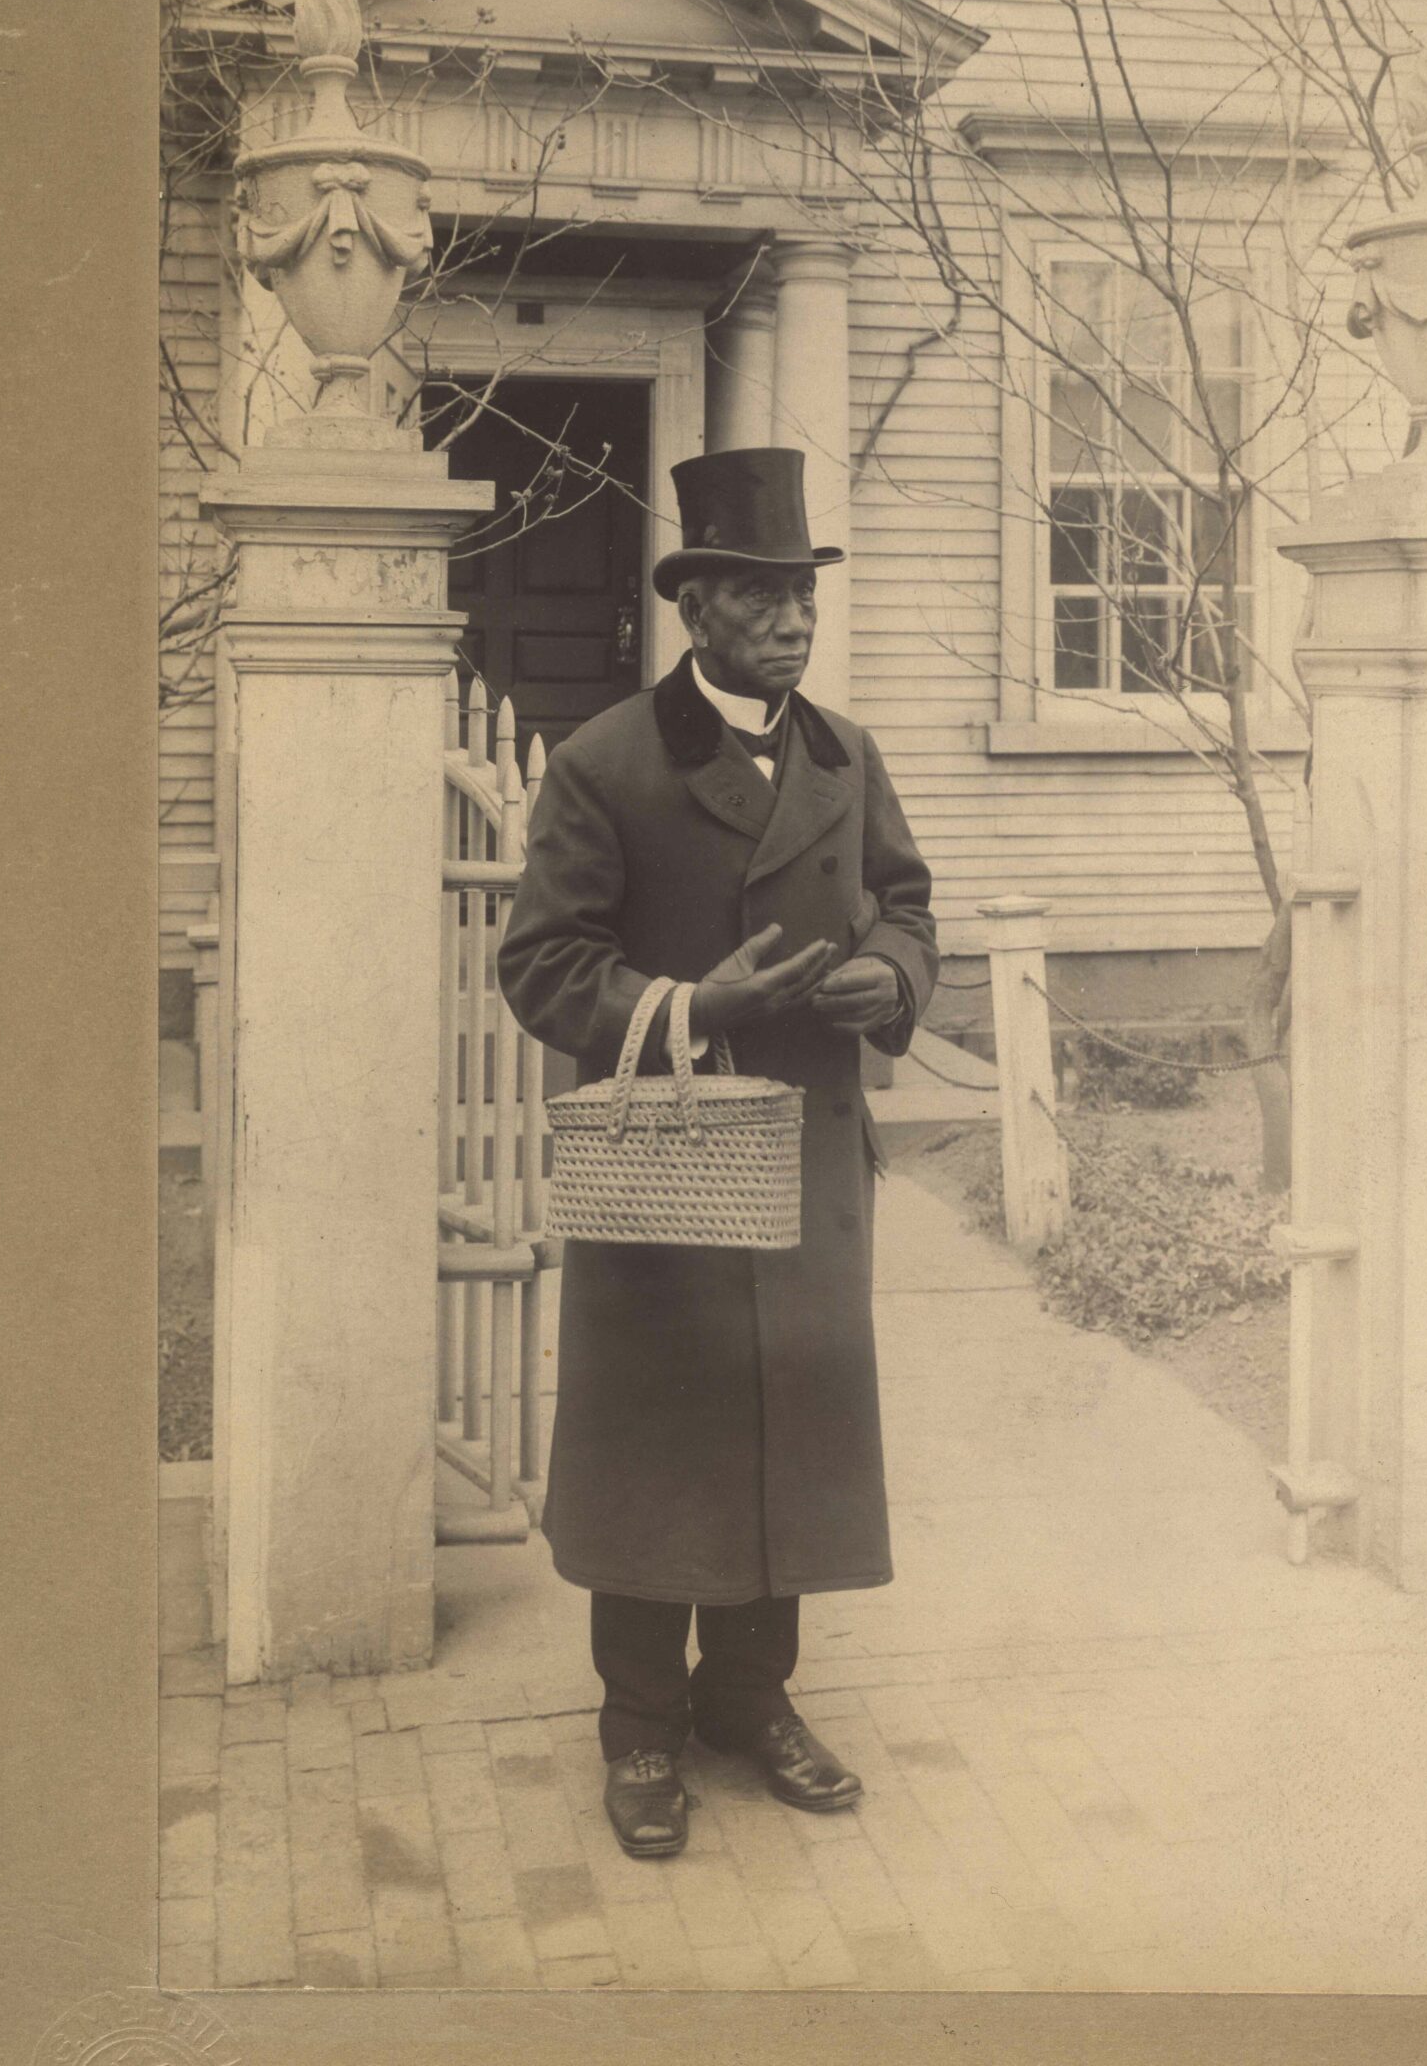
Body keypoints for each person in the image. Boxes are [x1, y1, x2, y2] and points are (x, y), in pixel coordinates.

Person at [497, 445, 939, 1859]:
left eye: (800, 590)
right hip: (669, 1164)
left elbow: (909, 905)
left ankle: (751, 1699)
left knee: (783, 1439)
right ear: (698, 611)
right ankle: (638, 1732)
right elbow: (543, 968)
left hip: (804, 1162)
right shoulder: (608, 762)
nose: (791, 619)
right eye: (757, 595)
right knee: (655, 1446)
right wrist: (694, 1007)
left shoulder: (841, 753)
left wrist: (894, 976)